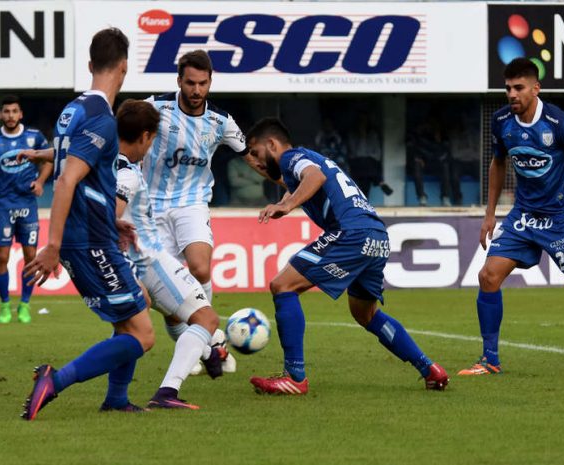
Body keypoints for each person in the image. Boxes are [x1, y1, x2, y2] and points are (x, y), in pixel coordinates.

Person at [245, 117, 449, 395]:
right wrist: (281, 195)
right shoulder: (306, 161)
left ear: (272, 144)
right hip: (376, 235)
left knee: (283, 286)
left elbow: (313, 177)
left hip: (351, 233)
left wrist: (288, 205)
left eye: (256, 153)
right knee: (365, 313)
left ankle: (294, 377)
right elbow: (291, 182)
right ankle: (430, 369)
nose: (256, 161)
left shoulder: (293, 157)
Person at [458, 58, 564, 377]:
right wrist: (489, 215)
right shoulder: (501, 121)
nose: (512, 94)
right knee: (488, 276)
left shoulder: (560, 123)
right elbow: (498, 164)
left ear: (535, 88)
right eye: (508, 88)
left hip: (561, 216)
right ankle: (490, 360)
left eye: (519, 87)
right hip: (523, 216)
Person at [21, 27, 155, 420]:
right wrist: (52, 246)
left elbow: (81, 172)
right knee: (143, 335)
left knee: (137, 306)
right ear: (124, 67)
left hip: (95, 233)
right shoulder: (101, 120)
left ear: (91, 64)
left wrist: (111, 221)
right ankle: (54, 380)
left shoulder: (73, 110)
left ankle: (116, 398)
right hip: (88, 240)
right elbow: (67, 180)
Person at [114, 99, 232, 409]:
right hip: (149, 260)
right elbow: (111, 214)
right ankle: (169, 390)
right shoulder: (127, 173)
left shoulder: (103, 159)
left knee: (135, 325)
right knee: (206, 318)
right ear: (145, 136)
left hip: (135, 261)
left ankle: (116, 397)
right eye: (153, 139)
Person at [142, 50, 253, 306]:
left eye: (203, 84)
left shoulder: (221, 121)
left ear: (210, 82)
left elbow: (251, 158)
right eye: (190, 83)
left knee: (200, 268)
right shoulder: (154, 107)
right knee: (159, 290)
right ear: (179, 81)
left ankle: (207, 326)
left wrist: (288, 187)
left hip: (192, 202)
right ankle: (186, 327)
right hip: (151, 205)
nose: (196, 90)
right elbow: (121, 134)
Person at [0, 95, 52, 324]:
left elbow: (49, 160)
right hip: (3, 204)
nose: (10, 115)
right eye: (6, 111)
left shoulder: (34, 137)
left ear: (21, 114)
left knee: (30, 256)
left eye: (14, 111)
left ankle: (24, 305)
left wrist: (40, 182)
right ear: (0, 115)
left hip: (27, 203)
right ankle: (5, 305)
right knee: (2, 255)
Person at [347, 113, 393, 199]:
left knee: (366, 171)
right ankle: (380, 181)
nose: (362, 125)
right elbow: (356, 153)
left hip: (369, 165)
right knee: (365, 168)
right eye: (361, 122)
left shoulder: (373, 135)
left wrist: (368, 157)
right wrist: (362, 137)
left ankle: (377, 181)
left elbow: (377, 154)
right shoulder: (352, 135)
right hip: (357, 164)